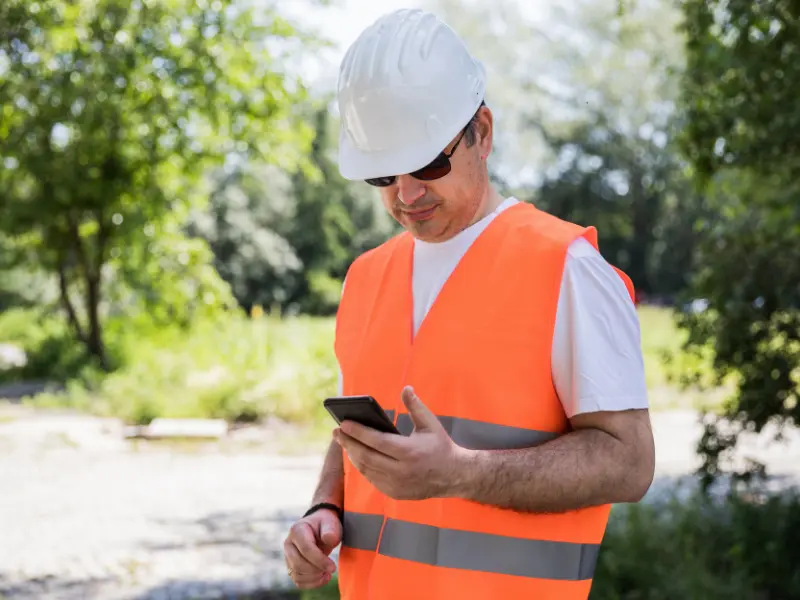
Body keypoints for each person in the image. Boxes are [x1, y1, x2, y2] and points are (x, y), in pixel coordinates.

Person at [283, 8, 655, 600]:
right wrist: (324, 507)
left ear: (481, 131)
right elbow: (358, 432)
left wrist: (461, 473)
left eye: (428, 162)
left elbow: (629, 463)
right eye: (382, 174)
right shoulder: (366, 277)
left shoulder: (568, 268)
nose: (405, 194)